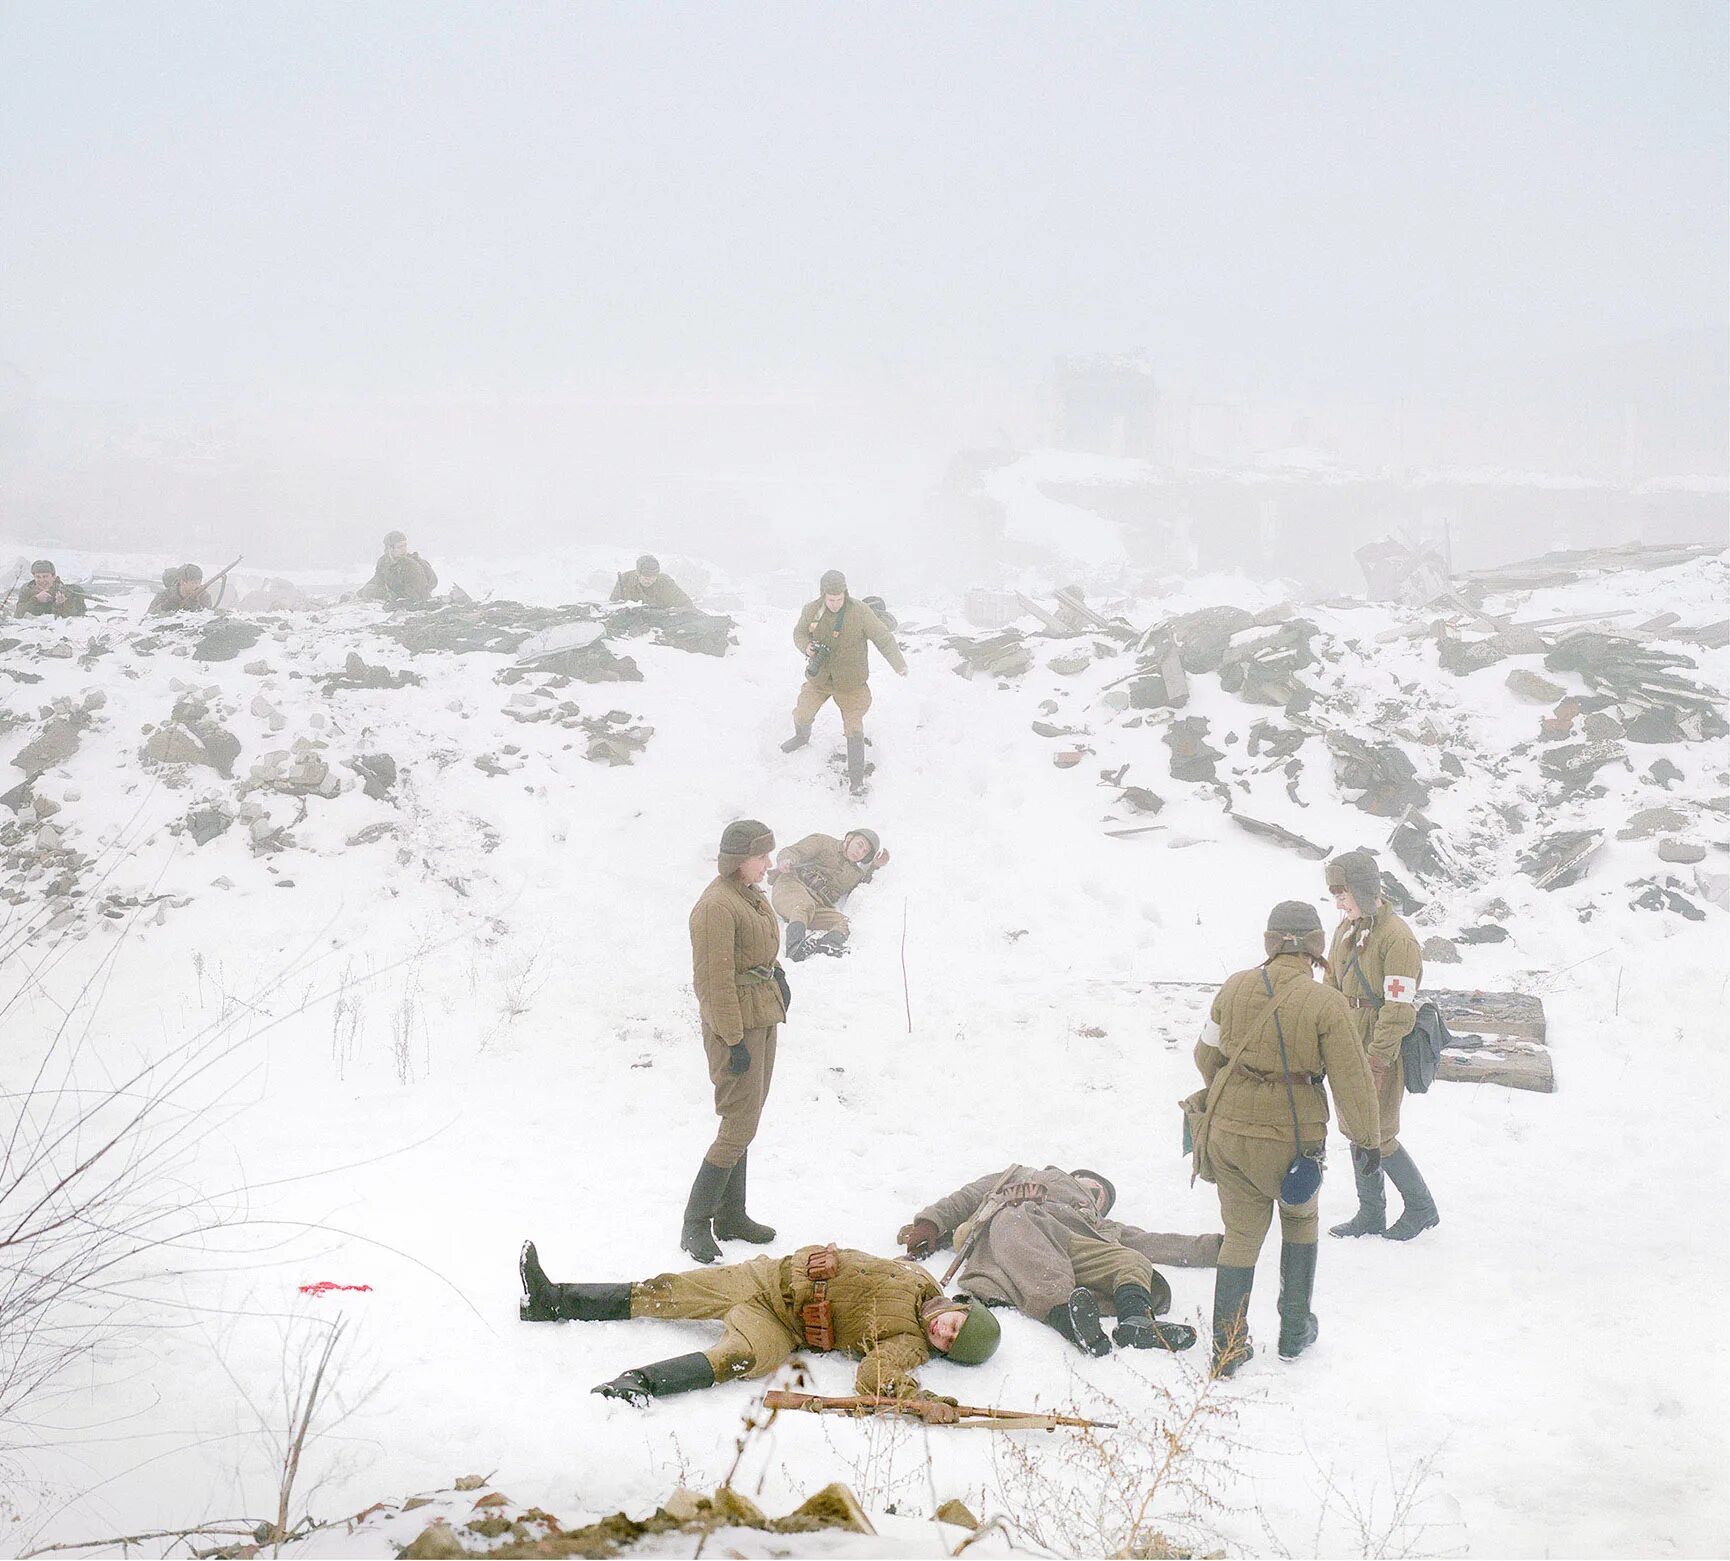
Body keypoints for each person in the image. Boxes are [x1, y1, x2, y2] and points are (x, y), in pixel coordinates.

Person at [1186, 901, 1380, 1377]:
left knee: (1241, 1236)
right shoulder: (1327, 1003)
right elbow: (1352, 1081)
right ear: (1316, 947)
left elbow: (1205, 1056)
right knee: (1300, 1219)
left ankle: (1227, 1350)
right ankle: (1295, 1330)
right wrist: (1367, 1142)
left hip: (1228, 1135)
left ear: (1270, 942)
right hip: (1293, 1141)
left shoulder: (1232, 988)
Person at [517, 1239, 1000, 1414]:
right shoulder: (920, 1276)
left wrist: (923, 1400)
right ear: (960, 1307)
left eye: (950, 1344)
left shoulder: (910, 1344)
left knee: (737, 1360)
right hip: (766, 1276)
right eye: (956, 1325)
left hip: (779, 1325)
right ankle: (550, 1300)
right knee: (664, 1291)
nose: (944, 1334)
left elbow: (875, 1376)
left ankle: (636, 1386)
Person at [898, 1164, 1201, 1356]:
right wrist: (931, 1223)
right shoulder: (1019, 1177)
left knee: (1132, 1259)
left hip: (1068, 1244)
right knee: (1018, 1218)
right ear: (1074, 1177)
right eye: (1094, 1188)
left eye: (1101, 1201)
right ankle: (1065, 1315)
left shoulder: (1099, 1224)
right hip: (1011, 1232)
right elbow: (966, 1198)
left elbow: (1157, 1243)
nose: (1095, 1197)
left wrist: (1229, 1247)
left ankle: (1136, 1320)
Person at [682, 820, 789, 1265]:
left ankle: (732, 1216)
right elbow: (713, 983)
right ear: (739, 859)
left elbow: (756, 951)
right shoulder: (716, 907)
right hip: (736, 1025)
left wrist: (777, 975)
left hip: (760, 1013)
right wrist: (732, 1040)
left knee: (750, 1113)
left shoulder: (749, 895)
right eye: (762, 856)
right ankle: (695, 1225)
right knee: (737, 1124)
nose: (768, 864)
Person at [1323, 850, 1440, 1243]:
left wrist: (1377, 1061)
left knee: (1379, 1132)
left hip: (1380, 1048)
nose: (1339, 902)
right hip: (1348, 1044)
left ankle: (1421, 1207)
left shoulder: (1398, 939)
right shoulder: (1344, 932)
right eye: (1335, 894)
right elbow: (1331, 990)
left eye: (1343, 893)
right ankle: (1371, 1212)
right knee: (1357, 1129)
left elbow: (1398, 1009)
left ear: (1363, 889)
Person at [781, 569, 907, 795]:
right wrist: (807, 647)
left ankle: (856, 779)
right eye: (831, 599)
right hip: (819, 678)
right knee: (802, 713)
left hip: (851, 683)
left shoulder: (860, 612)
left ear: (845, 593)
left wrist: (899, 665)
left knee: (854, 728)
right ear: (823, 595)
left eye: (840, 599)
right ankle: (802, 737)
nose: (836, 603)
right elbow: (799, 633)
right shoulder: (811, 610)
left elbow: (883, 638)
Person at [768, 826, 888, 960]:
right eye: (859, 845)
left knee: (845, 923)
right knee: (804, 905)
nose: (860, 852)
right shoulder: (823, 842)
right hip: (791, 886)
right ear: (849, 839)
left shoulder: (855, 874)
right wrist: (787, 860)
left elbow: (862, 889)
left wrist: (875, 866)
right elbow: (794, 851)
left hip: (816, 905)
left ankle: (828, 944)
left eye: (865, 851)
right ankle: (794, 947)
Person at [357, 530, 438, 602]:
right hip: (395, 593)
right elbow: (378, 578)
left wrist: (393, 596)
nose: (404, 549)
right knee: (369, 590)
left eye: (405, 545)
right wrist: (361, 591)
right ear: (389, 548)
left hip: (413, 594)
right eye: (399, 547)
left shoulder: (412, 565)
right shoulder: (384, 561)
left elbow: (419, 592)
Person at [611, 554, 695, 610]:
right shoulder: (625, 579)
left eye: (653, 577)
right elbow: (613, 605)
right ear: (638, 573)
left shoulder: (666, 582)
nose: (649, 580)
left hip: (661, 624)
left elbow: (687, 604)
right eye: (646, 576)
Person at [14, 561, 86, 618]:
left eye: (45, 576)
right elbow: (18, 614)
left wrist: (59, 604)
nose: (42, 580)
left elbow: (74, 617)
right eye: (38, 577)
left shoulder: (64, 591)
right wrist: (35, 599)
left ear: (54, 577)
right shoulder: (27, 589)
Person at [148, 564, 213, 614]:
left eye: (199, 582)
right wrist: (165, 607)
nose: (198, 586)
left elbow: (207, 619)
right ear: (182, 582)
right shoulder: (165, 595)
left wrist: (196, 606)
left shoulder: (204, 596)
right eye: (193, 583)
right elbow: (147, 619)